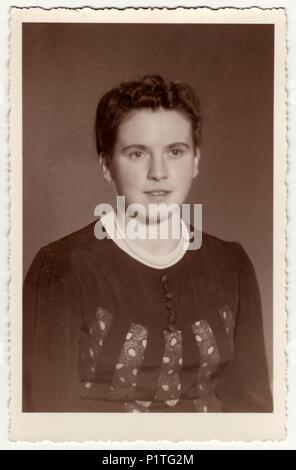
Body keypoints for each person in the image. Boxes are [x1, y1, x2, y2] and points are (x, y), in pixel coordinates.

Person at [23, 74, 273, 412]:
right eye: (137, 153)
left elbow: (253, 413)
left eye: (175, 151)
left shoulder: (231, 264)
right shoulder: (61, 267)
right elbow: (45, 425)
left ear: (196, 160)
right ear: (106, 165)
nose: (159, 172)